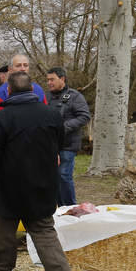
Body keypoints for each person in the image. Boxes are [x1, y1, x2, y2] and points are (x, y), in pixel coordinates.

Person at [0, 72, 74, 271]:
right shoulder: (52, 115)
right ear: (32, 90)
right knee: (43, 229)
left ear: (9, 91)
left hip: (9, 185)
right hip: (43, 183)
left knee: (5, 228)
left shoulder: (2, 118)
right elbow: (58, 145)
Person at [46, 67, 91, 207]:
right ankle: (60, 209)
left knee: (64, 176)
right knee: (52, 178)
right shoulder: (46, 97)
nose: (49, 83)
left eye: (52, 79)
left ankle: (71, 207)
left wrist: (63, 127)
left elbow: (84, 116)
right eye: (47, 80)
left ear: (62, 79)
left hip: (67, 145)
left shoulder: (75, 96)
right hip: (49, 144)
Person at [0, 54, 47, 131]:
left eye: (25, 65)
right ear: (10, 69)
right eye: (18, 66)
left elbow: (46, 117)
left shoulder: (39, 90)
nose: (23, 69)